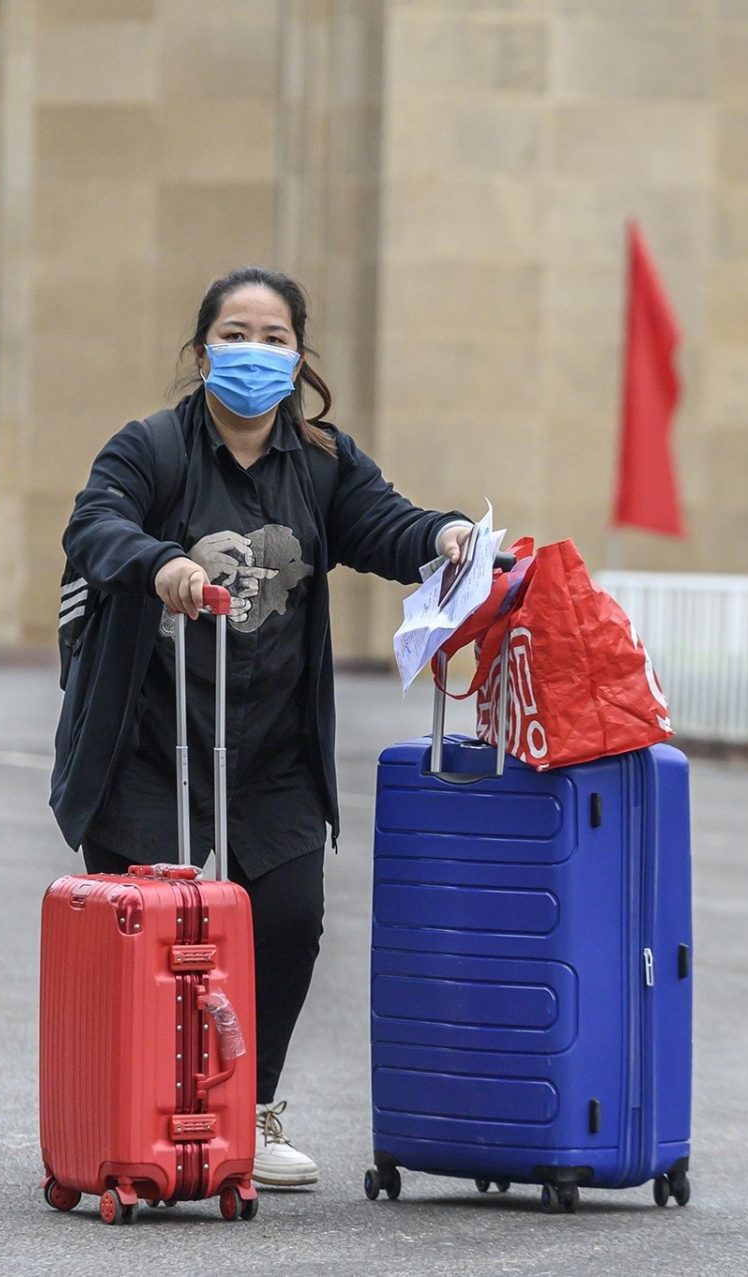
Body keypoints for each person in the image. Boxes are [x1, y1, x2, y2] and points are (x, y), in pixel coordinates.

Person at [51, 266, 473, 1189]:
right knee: (152, 936)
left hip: (270, 746)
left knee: (288, 920)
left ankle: (254, 1105)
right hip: (148, 740)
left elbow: (384, 523)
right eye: (235, 333)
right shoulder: (154, 448)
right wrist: (157, 561)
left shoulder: (320, 461)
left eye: (274, 336)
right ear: (203, 350)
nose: (254, 351)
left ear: (299, 355)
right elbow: (96, 524)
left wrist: (440, 534)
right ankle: (140, 1114)